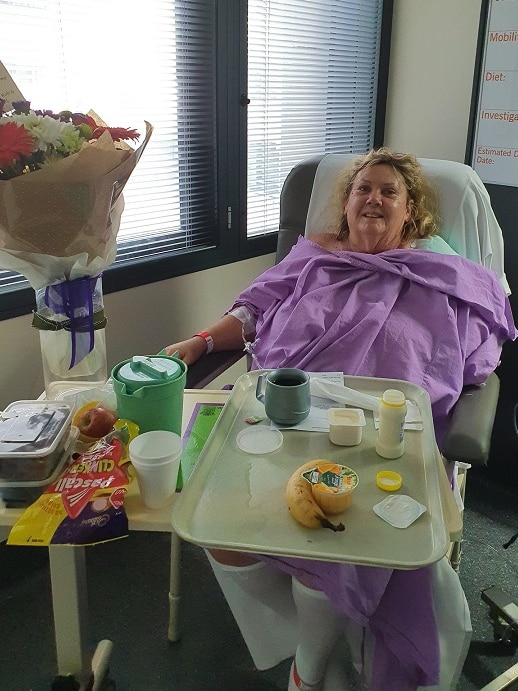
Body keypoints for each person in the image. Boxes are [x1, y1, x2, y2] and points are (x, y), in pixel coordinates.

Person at [165, 149, 517, 690]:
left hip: (382, 435)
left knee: (334, 550)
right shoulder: (310, 258)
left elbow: (479, 348)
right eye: (363, 190)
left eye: (389, 192)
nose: (374, 198)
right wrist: (199, 342)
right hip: (283, 419)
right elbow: (251, 312)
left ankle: (309, 667)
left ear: (410, 212)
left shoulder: (444, 274)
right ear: (346, 205)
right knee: (216, 530)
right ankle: (321, 647)